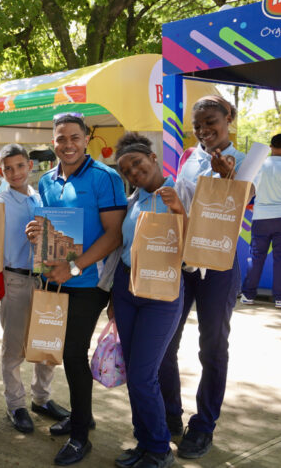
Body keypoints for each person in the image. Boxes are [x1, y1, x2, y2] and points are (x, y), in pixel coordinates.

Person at [25, 112, 127, 465]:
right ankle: (83, 415)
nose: (67, 144)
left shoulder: (106, 177)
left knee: (71, 352)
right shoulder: (47, 181)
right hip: (57, 279)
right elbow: (54, 228)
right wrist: (37, 235)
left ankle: (81, 436)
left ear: (87, 139)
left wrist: (73, 267)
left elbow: (114, 235)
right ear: (52, 142)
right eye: (60, 138)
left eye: (74, 137)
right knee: (63, 352)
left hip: (90, 282)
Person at [158, 96, 245, 460]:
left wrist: (228, 179)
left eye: (210, 121)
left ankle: (203, 425)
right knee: (163, 343)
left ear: (228, 117)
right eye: (197, 126)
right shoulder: (189, 156)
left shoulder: (244, 161)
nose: (204, 130)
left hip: (219, 265)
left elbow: (245, 199)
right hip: (182, 261)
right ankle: (169, 415)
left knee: (212, 347)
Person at [110, 133, 188, 468]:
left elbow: (195, 249)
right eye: (127, 170)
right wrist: (115, 297)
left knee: (144, 375)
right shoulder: (134, 200)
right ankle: (144, 442)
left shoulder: (179, 190)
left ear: (153, 159)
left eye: (138, 164)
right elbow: (123, 247)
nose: (134, 173)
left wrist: (178, 210)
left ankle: (159, 450)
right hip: (127, 289)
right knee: (134, 371)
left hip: (162, 293)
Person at [0, 144, 69, 435]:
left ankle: (42, 398)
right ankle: (16, 404)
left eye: (20, 166)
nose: (15, 173)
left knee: (46, 344)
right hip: (14, 278)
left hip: (45, 278)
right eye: (8, 168)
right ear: (1, 170)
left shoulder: (41, 198)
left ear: (29, 166)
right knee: (14, 348)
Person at [240, 133, 281, 308]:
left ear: (270, 147)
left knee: (256, 257)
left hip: (261, 218)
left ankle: (247, 295)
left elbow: (250, 191)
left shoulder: (259, 167)